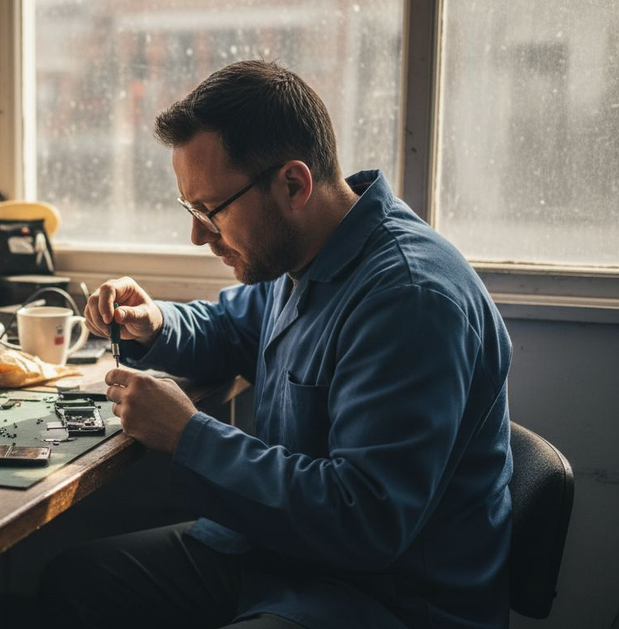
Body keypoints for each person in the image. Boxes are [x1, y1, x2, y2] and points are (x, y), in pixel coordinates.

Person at [42, 60, 513, 629]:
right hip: (286, 556)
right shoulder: (305, 255)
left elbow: (365, 521)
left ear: (293, 183)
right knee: (76, 583)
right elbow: (233, 326)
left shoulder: (410, 299)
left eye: (210, 211)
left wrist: (190, 435)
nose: (198, 236)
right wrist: (154, 322)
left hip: (388, 597)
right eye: (190, 210)